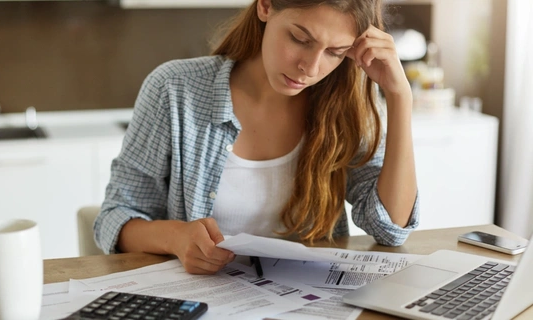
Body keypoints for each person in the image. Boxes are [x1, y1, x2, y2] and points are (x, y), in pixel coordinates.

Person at [94, 0, 419, 275]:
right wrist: (175, 237)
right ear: (265, 6)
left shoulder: (346, 106)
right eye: (299, 38)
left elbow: (390, 229)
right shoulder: (175, 89)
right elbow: (114, 217)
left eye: (335, 52)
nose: (311, 67)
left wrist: (399, 96)